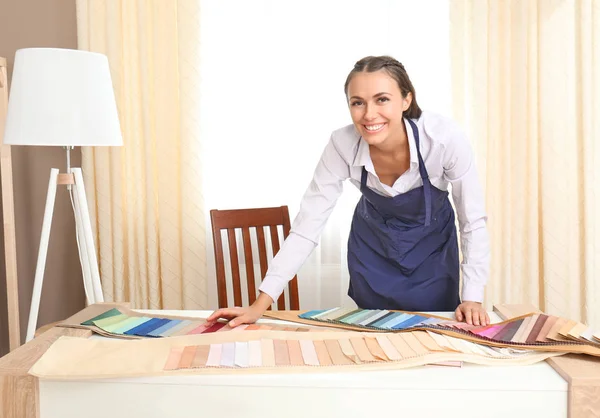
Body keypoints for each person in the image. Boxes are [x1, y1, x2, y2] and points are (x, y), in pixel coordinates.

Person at [208, 55, 491, 327]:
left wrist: (473, 298)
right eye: (358, 102)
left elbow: (472, 221)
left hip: (432, 257)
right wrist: (260, 305)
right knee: (374, 340)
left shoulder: (444, 141)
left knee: (433, 343)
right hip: (374, 254)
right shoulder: (342, 145)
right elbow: (307, 228)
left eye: (382, 99)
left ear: (407, 99)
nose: (369, 115)